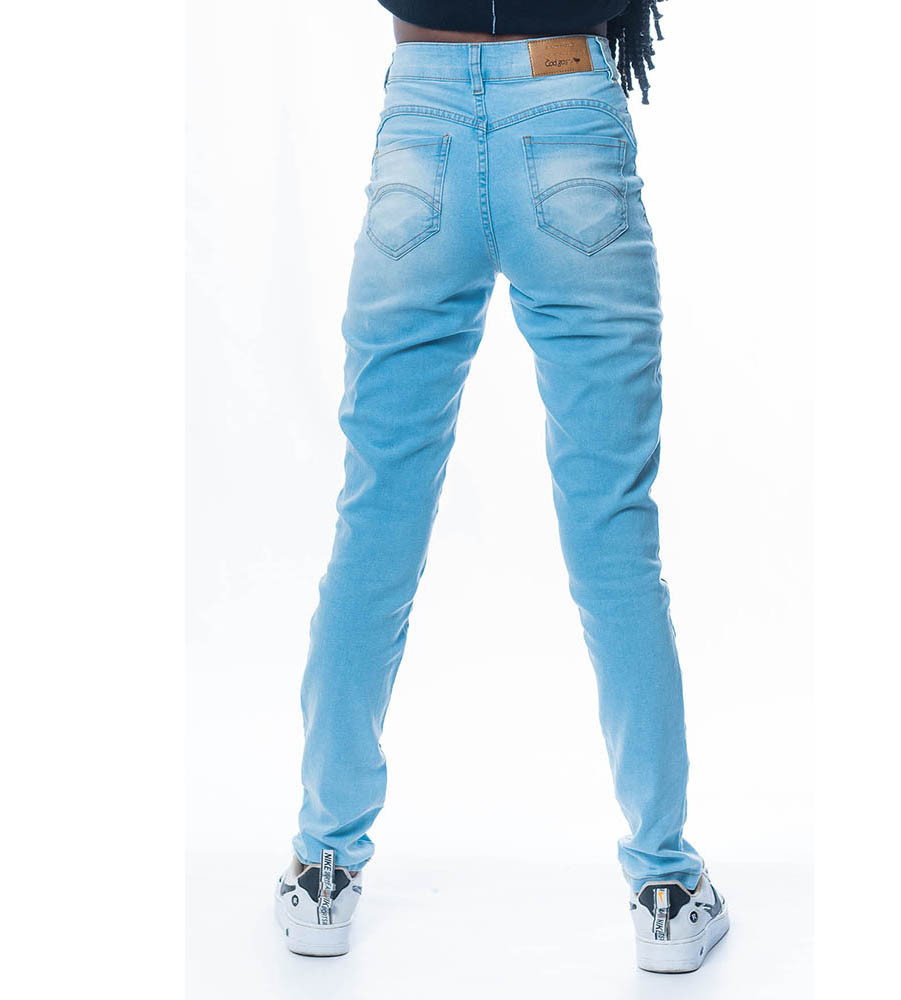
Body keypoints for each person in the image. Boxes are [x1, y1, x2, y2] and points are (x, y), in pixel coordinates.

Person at [273, 1, 729, 973]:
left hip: (422, 114)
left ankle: (322, 866)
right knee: (613, 534)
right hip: (569, 104)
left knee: (375, 521)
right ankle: (666, 885)